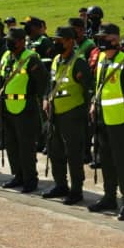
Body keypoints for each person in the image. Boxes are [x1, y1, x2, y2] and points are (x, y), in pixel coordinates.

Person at [89, 23, 124, 218]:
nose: (100, 41)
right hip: (102, 119)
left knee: (121, 163)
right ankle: (109, 197)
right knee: (105, 161)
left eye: (104, 38)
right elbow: (98, 86)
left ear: (114, 40)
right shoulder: (102, 59)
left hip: (119, 120)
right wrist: (94, 103)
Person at [42, 26, 93, 205]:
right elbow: (50, 83)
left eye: (59, 40)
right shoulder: (56, 60)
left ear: (70, 42)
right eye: (55, 40)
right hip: (54, 113)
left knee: (73, 154)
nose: (56, 43)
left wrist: (85, 113)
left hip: (72, 114)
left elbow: (88, 89)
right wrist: (45, 99)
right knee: (55, 151)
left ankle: (76, 190)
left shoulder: (79, 62)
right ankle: (60, 185)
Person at [0, 28, 48, 193]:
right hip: (7, 106)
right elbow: (1, 78)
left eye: (12, 40)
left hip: (25, 108)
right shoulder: (7, 56)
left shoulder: (31, 58)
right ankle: (18, 175)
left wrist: (39, 102)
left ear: (21, 41)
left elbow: (42, 83)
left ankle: (30, 179)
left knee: (26, 146)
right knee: (11, 145)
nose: (9, 43)